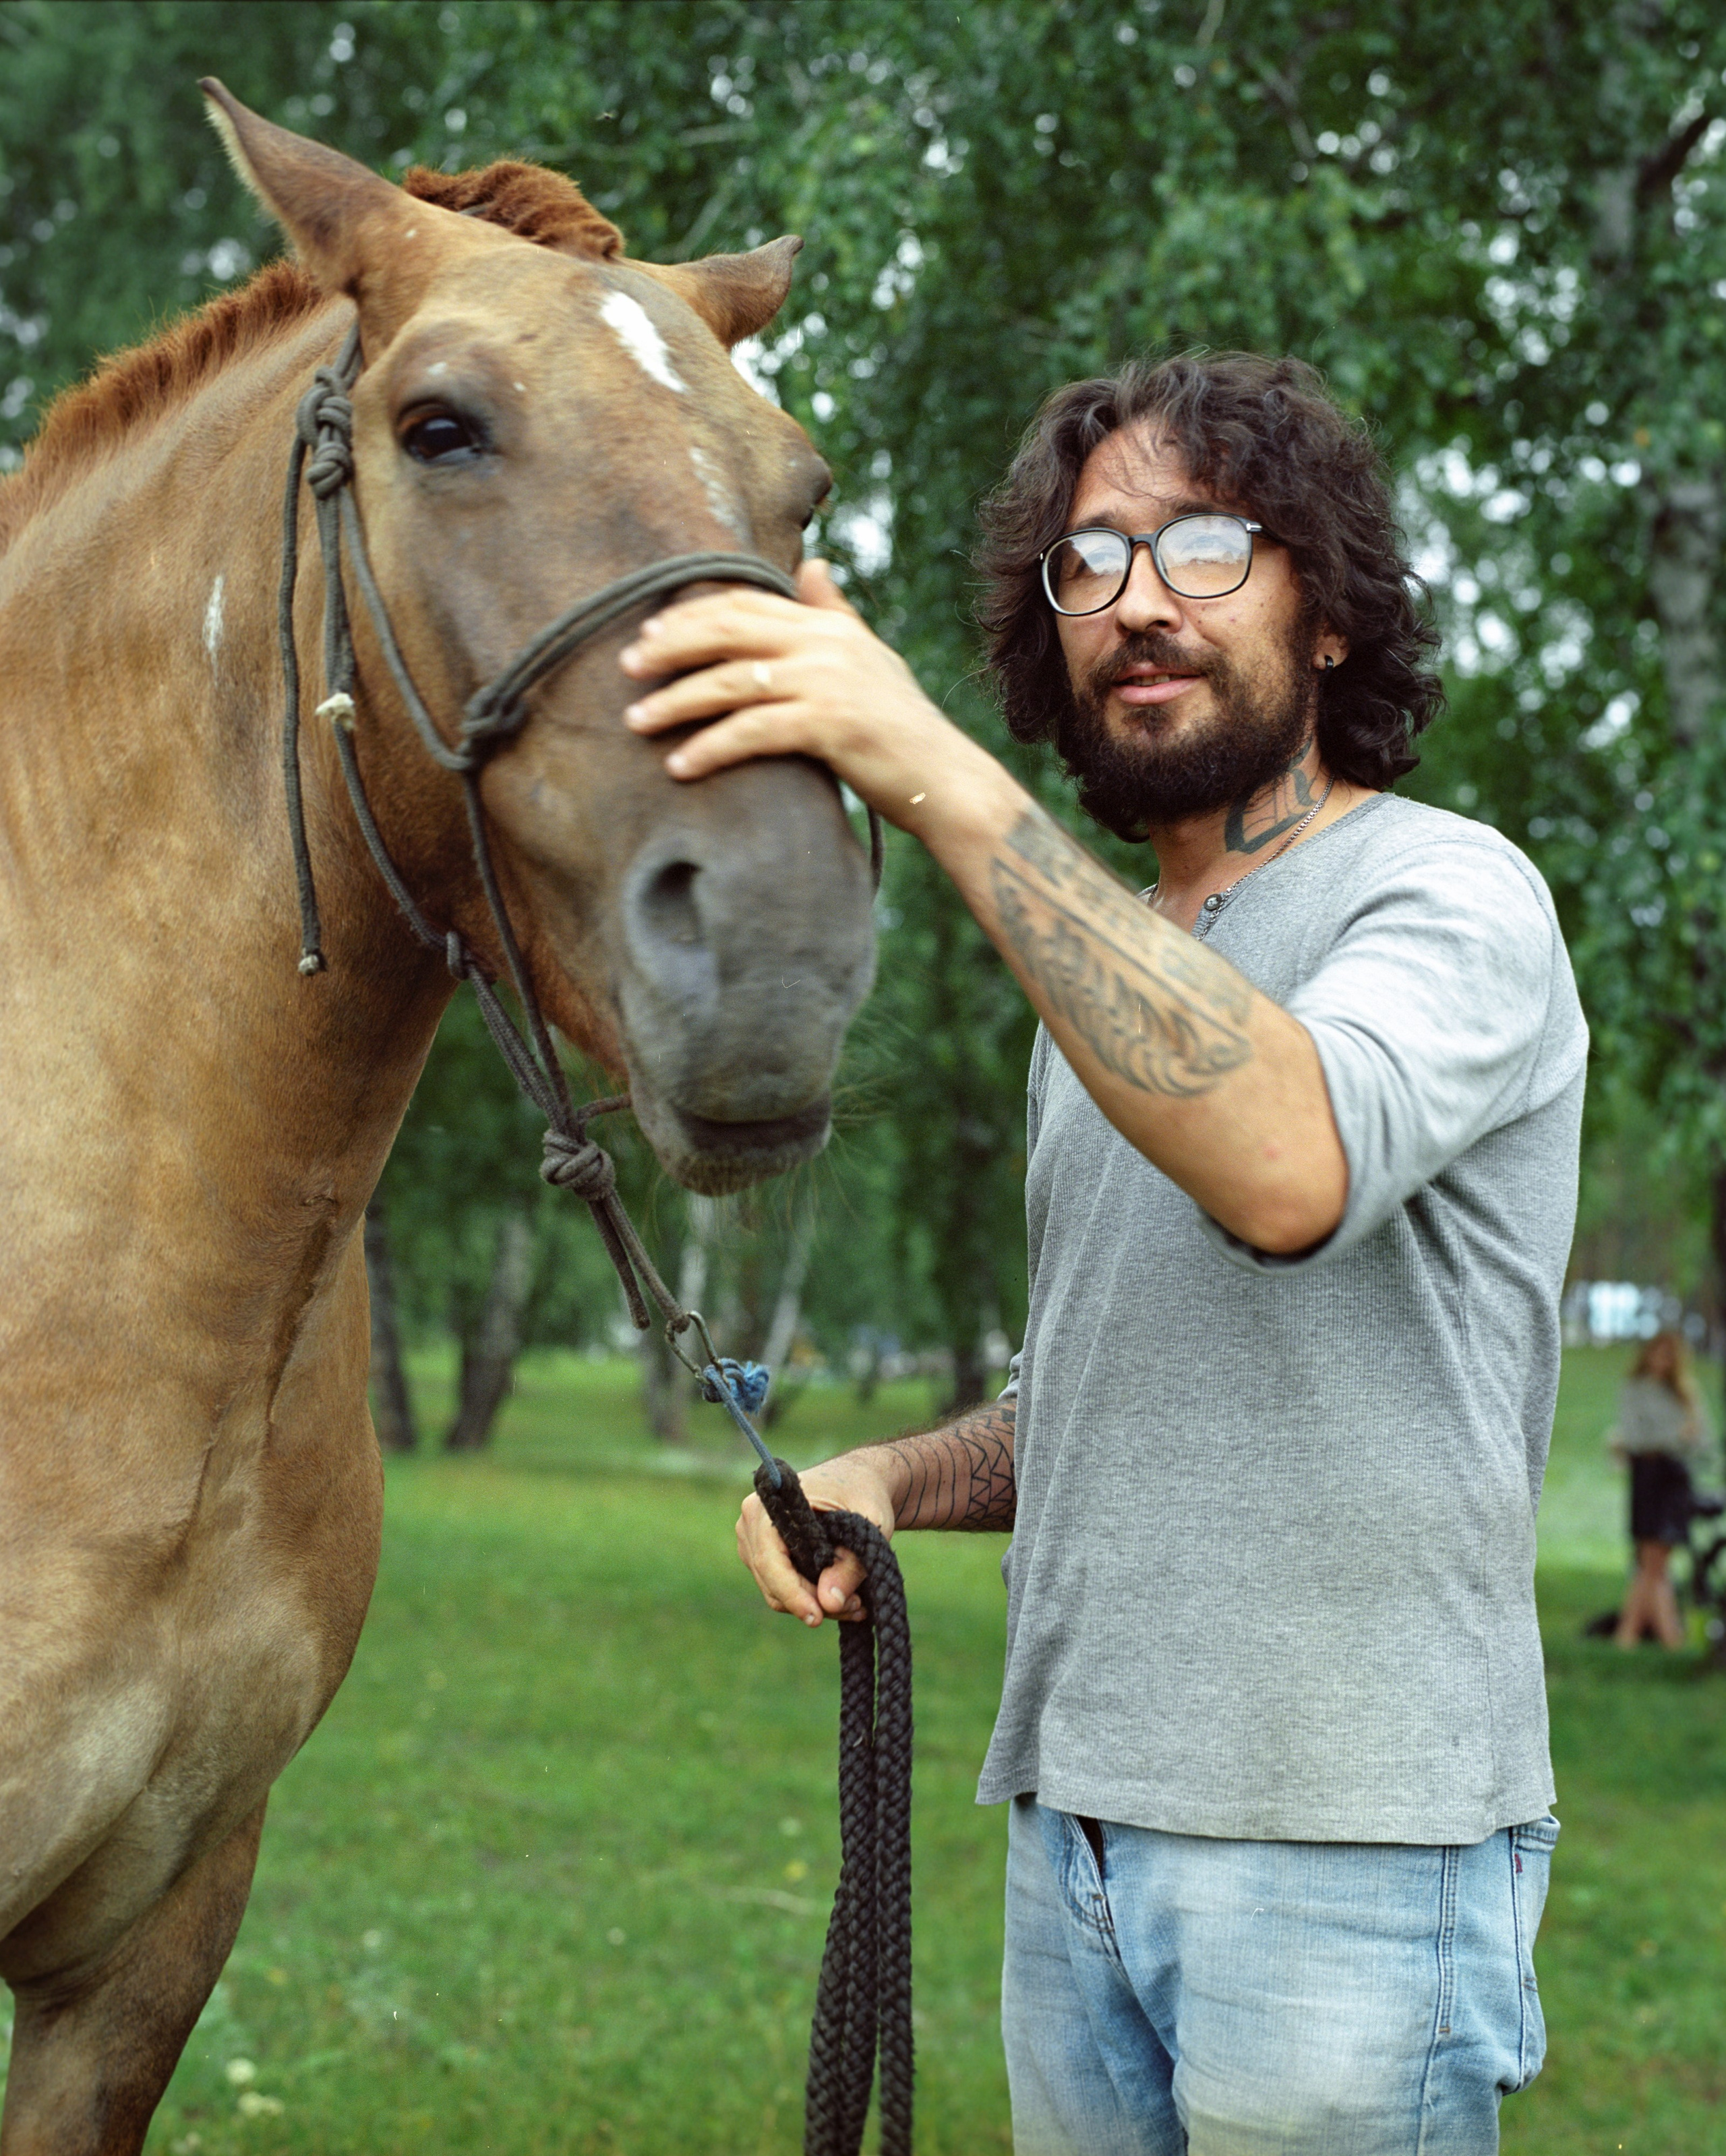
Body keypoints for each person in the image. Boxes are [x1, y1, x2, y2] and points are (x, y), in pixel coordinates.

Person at [619, 351, 1586, 2153]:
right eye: (1089, 560)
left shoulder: (1447, 891)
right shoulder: (1107, 978)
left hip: (1348, 1850)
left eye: (1207, 547)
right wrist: (885, 1476)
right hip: (1072, 1830)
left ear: (1328, 615)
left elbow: (1290, 1163)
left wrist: (933, 775)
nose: (1138, 598)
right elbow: (1102, 1392)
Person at [1609, 1327, 1713, 1650]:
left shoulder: (1684, 1392)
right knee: (1652, 1562)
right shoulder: (1635, 1389)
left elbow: (1703, 1439)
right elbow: (1633, 1438)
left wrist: (1681, 1440)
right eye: (1658, 1352)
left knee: (1656, 1563)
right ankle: (1663, 1639)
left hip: (1675, 1481)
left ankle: (1631, 1636)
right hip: (1648, 1478)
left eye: (1670, 1355)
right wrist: (1675, 1438)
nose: (1663, 1361)